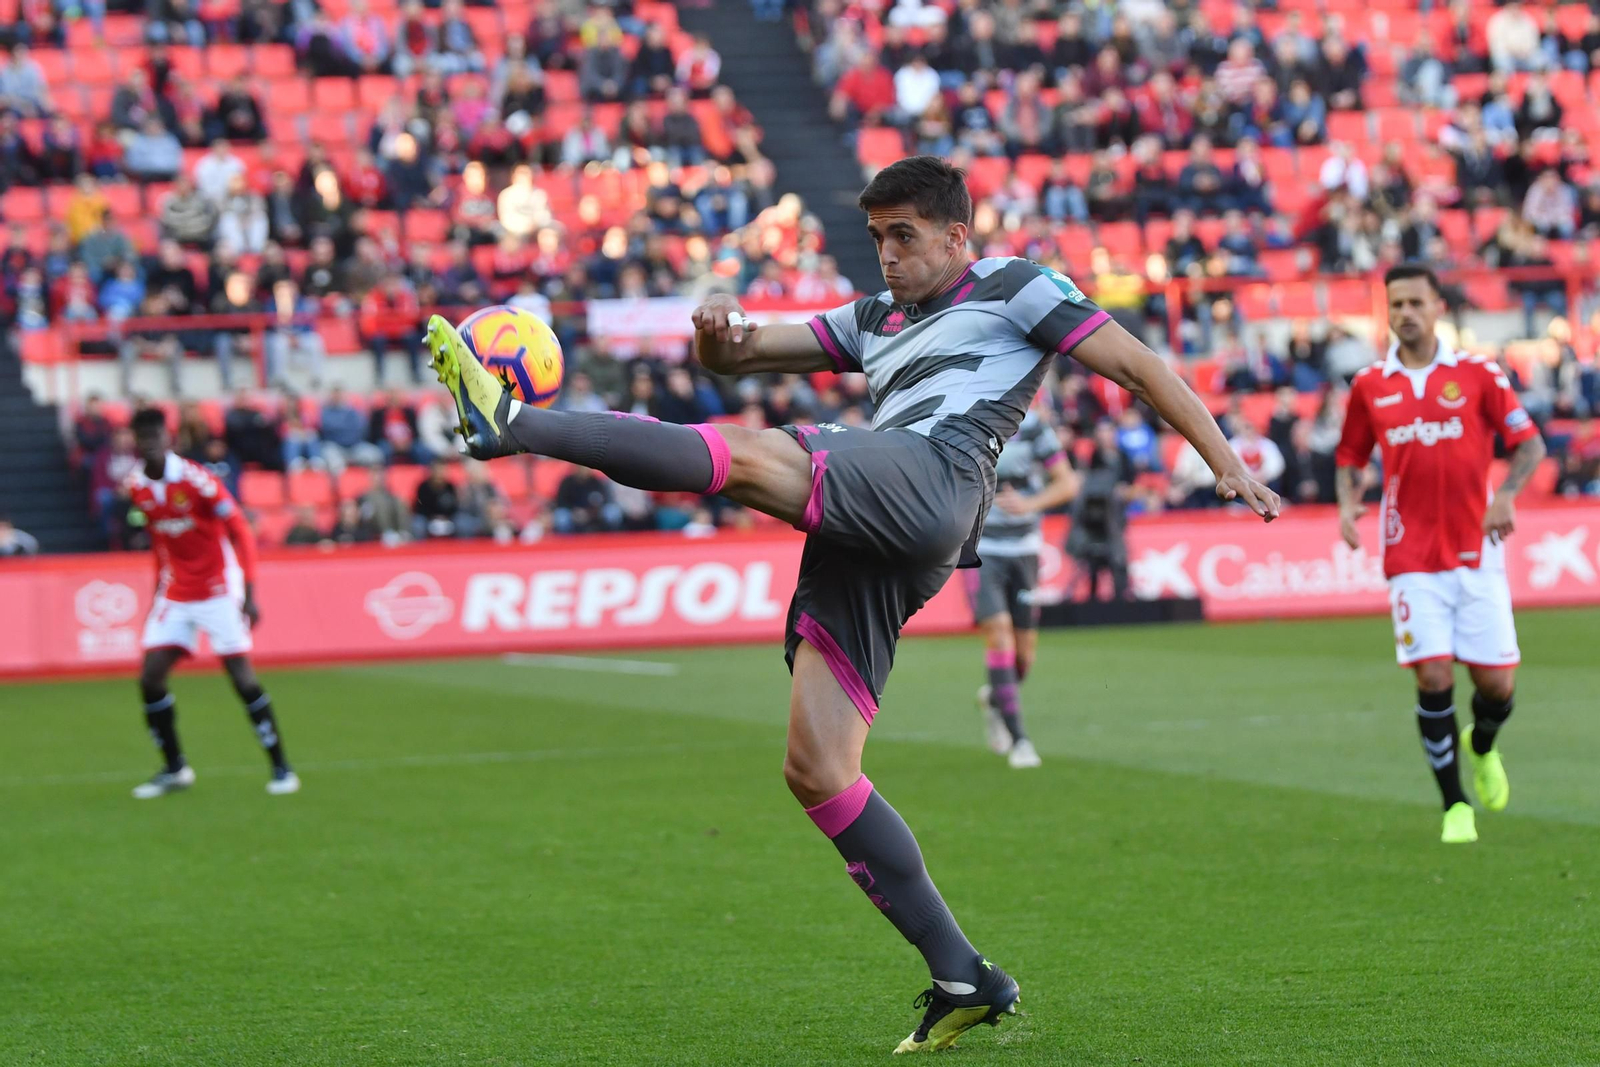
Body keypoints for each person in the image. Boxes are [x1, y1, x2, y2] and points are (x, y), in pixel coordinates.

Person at [420, 155, 1278, 1053]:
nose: (888, 256)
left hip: (937, 474)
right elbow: (742, 352)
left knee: (749, 458)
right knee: (818, 766)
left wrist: (1222, 458)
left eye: (904, 237)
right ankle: (963, 975)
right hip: (880, 523)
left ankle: (512, 425)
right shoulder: (874, 318)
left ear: (957, 235)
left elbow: (1137, 365)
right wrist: (718, 333)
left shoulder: (1020, 286)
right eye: (877, 238)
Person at [1334, 264, 1547, 845]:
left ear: (1437, 308)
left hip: (1477, 554)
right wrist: (1347, 505)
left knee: (1497, 687)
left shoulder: (1478, 374)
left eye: (1415, 302)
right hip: (1409, 555)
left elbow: (1529, 446)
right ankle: (1455, 805)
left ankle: (1483, 748)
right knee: (1432, 676)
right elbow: (1350, 455)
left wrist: (1504, 495)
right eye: (1395, 303)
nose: (1405, 312)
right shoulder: (1369, 384)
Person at [123, 408, 299, 799]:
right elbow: (160, 542)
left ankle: (281, 766)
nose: (149, 444)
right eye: (142, 438)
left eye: (155, 436)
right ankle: (175, 769)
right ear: (135, 442)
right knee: (151, 675)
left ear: (167, 439)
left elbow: (239, 528)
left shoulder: (195, 480)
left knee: (241, 677)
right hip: (176, 590)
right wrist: (156, 590)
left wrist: (250, 593)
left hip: (219, 587)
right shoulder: (136, 486)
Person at [968, 408, 1078, 769]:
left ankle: (997, 698)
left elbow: (1067, 483)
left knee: (1024, 656)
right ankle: (1021, 741)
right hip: (982, 550)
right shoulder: (969, 419)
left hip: (1026, 550)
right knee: (999, 635)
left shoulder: (1034, 427)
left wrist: (1029, 504)